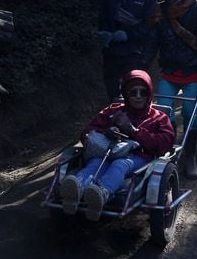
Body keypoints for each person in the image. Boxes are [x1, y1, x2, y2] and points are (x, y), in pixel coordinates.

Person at [59, 70, 175, 221]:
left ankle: (102, 193)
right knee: (95, 162)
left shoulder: (159, 118)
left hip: (139, 156)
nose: (138, 96)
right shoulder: (113, 111)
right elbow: (87, 132)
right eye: (133, 92)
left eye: (143, 92)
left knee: (120, 164)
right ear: (126, 94)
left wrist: (134, 131)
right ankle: (76, 188)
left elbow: (166, 143)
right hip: (108, 151)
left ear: (150, 93)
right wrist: (107, 131)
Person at [143, 0, 197, 180]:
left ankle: (191, 157)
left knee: (189, 114)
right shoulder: (159, 12)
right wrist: (139, 68)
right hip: (169, 71)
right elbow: (151, 43)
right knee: (163, 112)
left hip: (193, 72)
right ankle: (170, 151)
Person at [97, 0, 158, 102]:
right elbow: (102, 20)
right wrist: (105, 34)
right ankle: (116, 123)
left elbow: (149, 26)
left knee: (134, 95)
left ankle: (137, 125)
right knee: (113, 95)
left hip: (135, 53)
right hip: (111, 53)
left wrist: (128, 34)